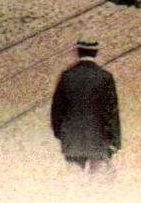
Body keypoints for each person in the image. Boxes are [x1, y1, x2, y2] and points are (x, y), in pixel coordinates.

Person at [49, 39, 120, 174]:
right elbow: (111, 113)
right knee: (97, 180)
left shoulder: (67, 76)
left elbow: (57, 111)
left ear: (77, 52)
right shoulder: (105, 77)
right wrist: (114, 141)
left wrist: (61, 134)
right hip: (99, 139)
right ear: (96, 53)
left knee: (73, 179)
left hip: (72, 138)